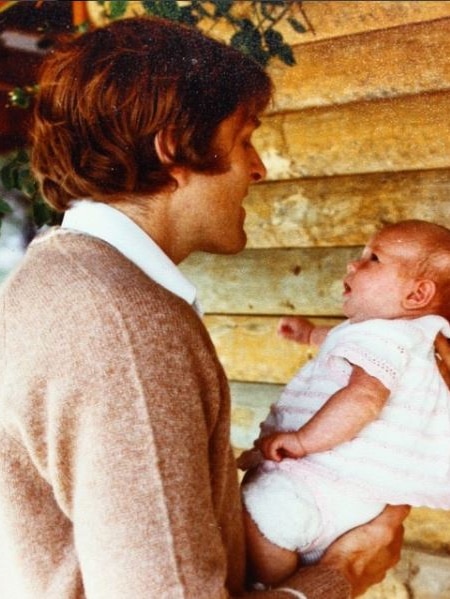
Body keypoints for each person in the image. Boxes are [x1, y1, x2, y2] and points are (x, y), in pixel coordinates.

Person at [0, 15, 411, 599]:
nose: (258, 166)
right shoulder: (125, 326)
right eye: (244, 136)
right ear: (173, 149)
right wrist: (337, 578)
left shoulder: (55, 279)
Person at [238, 219, 450, 587]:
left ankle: (269, 586)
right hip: (361, 505)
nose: (353, 264)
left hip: (306, 485)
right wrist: (310, 335)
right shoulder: (417, 341)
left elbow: (365, 396)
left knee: (252, 525)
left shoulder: (381, 336)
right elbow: (349, 343)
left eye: (373, 259)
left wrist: (303, 441)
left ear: (416, 296)